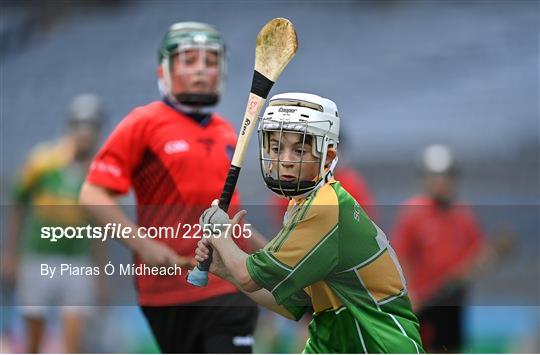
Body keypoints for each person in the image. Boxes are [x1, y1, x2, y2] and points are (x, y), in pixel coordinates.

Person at [194, 92, 424, 353]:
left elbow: (249, 277)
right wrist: (225, 269)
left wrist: (221, 235)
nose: (286, 160)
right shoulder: (302, 204)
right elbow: (295, 304)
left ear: (327, 157)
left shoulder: (325, 207)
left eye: (299, 150)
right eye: (277, 148)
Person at [79, 22, 259, 353]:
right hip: (165, 289)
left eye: (211, 61)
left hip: (229, 286)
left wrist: (271, 254)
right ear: (165, 69)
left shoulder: (227, 131)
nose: (202, 70)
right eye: (189, 60)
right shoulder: (143, 123)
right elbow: (92, 193)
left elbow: (231, 214)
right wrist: (142, 245)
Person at [2, 93, 104, 353]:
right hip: (38, 257)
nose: (86, 133)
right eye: (81, 125)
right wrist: (11, 254)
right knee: (33, 337)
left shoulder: (98, 171)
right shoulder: (43, 161)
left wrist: (99, 270)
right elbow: (17, 204)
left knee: (74, 336)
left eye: (91, 126)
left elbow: (100, 225)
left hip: (76, 261)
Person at [391, 144, 488, 352]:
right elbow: (400, 256)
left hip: (452, 302)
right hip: (422, 303)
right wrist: (409, 294)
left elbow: (477, 254)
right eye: (434, 176)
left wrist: (475, 266)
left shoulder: (463, 215)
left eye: (446, 176)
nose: (440, 183)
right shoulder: (414, 213)